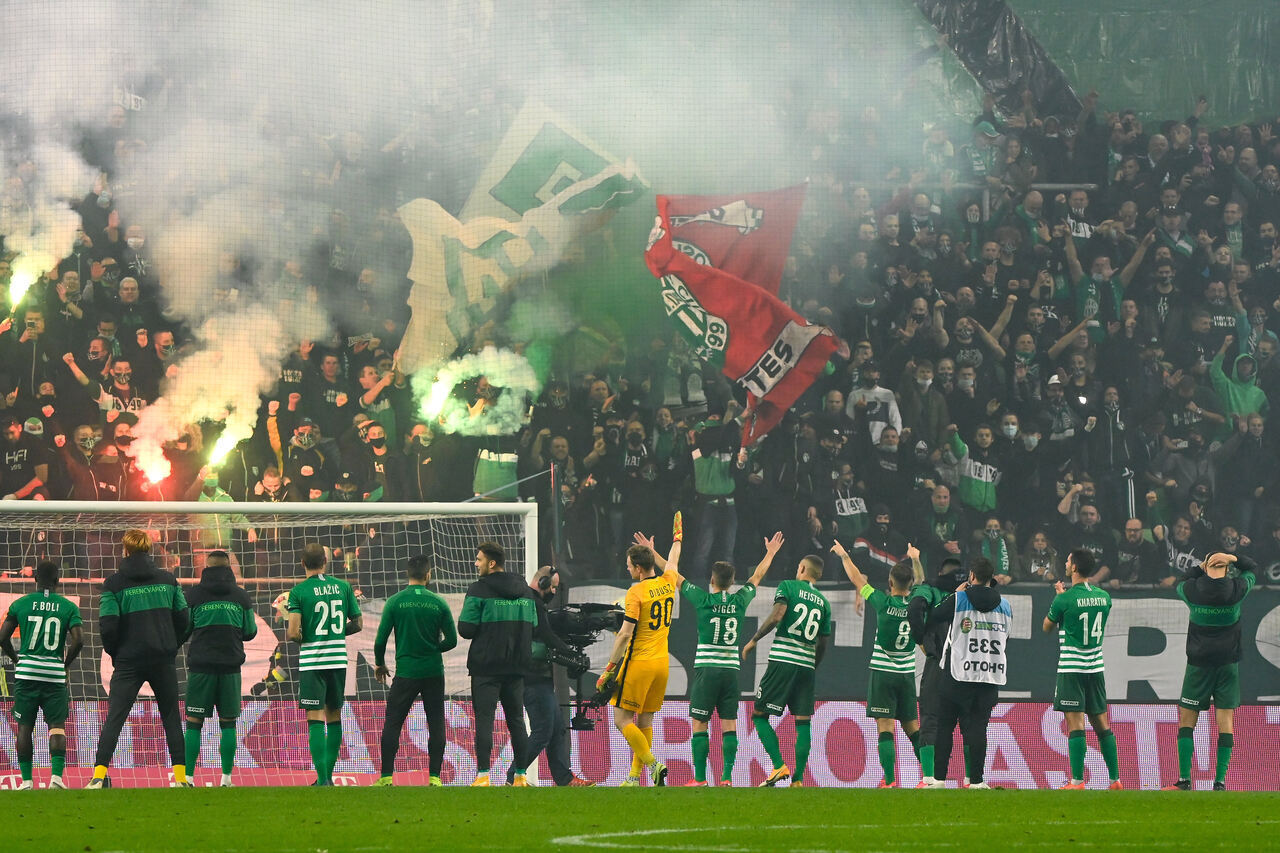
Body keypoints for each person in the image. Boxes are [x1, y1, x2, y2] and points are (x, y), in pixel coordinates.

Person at [676, 531, 783, 786]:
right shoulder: (739, 600)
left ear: (712, 579)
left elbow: (674, 576)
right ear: (733, 581)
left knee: (700, 723)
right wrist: (770, 553)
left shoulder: (702, 599)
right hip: (731, 671)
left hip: (707, 669)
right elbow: (757, 577)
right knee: (729, 724)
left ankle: (700, 778)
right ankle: (726, 778)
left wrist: (656, 553)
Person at [89, 529, 190, 789]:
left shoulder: (113, 584)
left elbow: (108, 625)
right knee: (171, 717)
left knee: (115, 717)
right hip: (163, 658)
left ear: (125, 550)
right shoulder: (168, 580)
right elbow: (184, 619)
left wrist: (116, 653)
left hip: (128, 661)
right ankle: (181, 779)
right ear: (149, 549)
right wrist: (170, 645)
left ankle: (98, 777)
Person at [597, 515, 683, 787]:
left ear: (637, 568)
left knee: (622, 719)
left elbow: (624, 635)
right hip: (662, 664)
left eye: (629, 566)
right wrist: (677, 538)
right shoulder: (668, 582)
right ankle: (634, 778)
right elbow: (673, 560)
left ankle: (653, 764)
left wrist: (609, 670)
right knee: (645, 720)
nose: (627, 569)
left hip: (639, 664)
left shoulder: (636, 593)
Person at [832, 540, 924, 788]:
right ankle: (930, 777)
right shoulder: (917, 603)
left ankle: (890, 780)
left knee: (885, 727)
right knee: (913, 727)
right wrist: (915, 559)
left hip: (883, 673)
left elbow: (857, 579)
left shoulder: (882, 602)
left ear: (890, 583)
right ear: (910, 584)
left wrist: (844, 555)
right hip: (907, 674)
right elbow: (921, 580)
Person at [1164, 551, 1257, 791]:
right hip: (1228, 665)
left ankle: (1184, 780)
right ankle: (1220, 782)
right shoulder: (1237, 589)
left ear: (1206, 568)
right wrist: (1233, 557)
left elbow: (1180, 581)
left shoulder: (1192, 590)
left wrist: (1200, 567)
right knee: (1225, 721)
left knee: (1187, 720)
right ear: (1227, 569)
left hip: (1198, 665)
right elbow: (1251, 569)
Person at [742, 551, 832, 787]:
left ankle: (778, 765)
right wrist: (812, 666)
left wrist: (754, 640)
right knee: (803, 722)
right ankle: (798, 779)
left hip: (783, 660)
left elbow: (777, 616)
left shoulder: (788, 587)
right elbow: (823, 642)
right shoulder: (823, 602)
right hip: (807, 666)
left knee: (759, 715)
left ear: (802, 569)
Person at [922, 557, 1011, 789]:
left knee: (945, 727)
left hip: (957, 673)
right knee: (978, 729)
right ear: (992, 579)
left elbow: (935, 615)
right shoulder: (1005, 605)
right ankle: (977, 781)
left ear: (972, 576)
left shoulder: (959, 598)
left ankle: (939, 780)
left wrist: (955, 594)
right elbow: (1006, 637)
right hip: (988, 674)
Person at [457, 541, 540, 787]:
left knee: (485, 720)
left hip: (486, 666)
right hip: (517, 667)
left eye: (479, 559)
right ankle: (521, 776)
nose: (476, 564)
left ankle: (483, 776)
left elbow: (466, 629)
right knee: (517, 721)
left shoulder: (478, 590)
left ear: (491, 563)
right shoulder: (526, 592)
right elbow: (534, 627)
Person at [503, 565, 593, 787]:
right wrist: (569, 651)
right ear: (542, 583)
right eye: (552, 587)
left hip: (536, 677)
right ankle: (514, 775)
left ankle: (564, 778)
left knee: (556, 729)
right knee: (543, 730)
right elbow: (545, 633)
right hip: (532, 678)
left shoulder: (525, 601)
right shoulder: (532, 603)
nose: (553, 591)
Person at [282, 543, 362, 786]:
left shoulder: (298, 592)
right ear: (326, 562)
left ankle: (322, 779)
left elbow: (293, 632)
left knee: (315, 717)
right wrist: (334, 634)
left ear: (302, 563)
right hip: (337, 660)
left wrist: (312, 636)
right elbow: (358, 623)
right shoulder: (343, 587)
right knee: (334, 715)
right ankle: (328, 777)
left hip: (313, 662)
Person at [374, 555, 457, 787]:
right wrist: (433, 648)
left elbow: (380, 641)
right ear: (428, 575)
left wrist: (379, 663)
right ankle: (435, 778)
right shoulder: (439, 603)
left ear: (408, 574)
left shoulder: (395, 602)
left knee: (393, 722)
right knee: (436, 723)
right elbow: (452, 641)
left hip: (406, 673)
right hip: (433, 672)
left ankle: (386, 777)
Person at [1042, 549, 1122, 790]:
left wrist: (1059, 598)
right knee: (1102, 724)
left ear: (1074, 567)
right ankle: (1115, 780)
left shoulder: (1064, 599)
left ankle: (1077, 781)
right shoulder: (1104, 597)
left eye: (1068, 561)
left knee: (1075, 724)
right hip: (1095, 668)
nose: (1066, 564)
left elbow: (1047, 627)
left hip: (1072, 668)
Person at [0, 560, 83, 789]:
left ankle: (27, 781)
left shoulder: (21, 604)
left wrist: (17, 659)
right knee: (57, 726)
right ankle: (56, 779)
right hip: (53, 675)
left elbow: (2, 638)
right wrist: (64, 665)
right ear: (57, 581)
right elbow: (79, 640)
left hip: (27, 673)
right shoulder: (68, 607)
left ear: (35, 579)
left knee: (25, 726)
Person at [183, 551, 257, 788]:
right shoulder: (241, 596)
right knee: (228, 723)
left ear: (206, 568)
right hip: (230, 668)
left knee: (194, 721)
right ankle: (226, 779)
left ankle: (188, 778)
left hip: (201, 667)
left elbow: (184, 628)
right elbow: (250, 631)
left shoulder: (193, 595)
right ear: (229, 568)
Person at [908, 555, 966, 787]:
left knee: (931, 718)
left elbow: (914, 607)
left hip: (938, 661)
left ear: (941, 572)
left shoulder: (931, 589)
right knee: (970, 721)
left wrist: (920, 639)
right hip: (967, 665)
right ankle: (972, 779)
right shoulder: (972, 592)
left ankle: (930, 778)